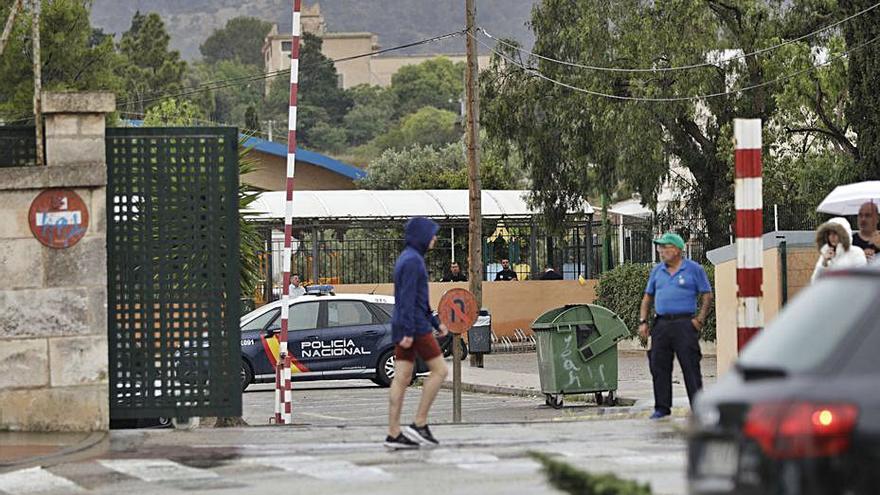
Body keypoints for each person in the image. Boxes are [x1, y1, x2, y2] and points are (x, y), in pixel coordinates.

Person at [386, 217, 449, 450]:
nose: (434, 238)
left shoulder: (408, 258)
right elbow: (408, 300)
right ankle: (419, 423)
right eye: (432, 233)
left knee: (401, 378)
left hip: (408, 325)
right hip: (415, 327)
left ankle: (393, 433)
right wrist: (410, 331)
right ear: (422, 235)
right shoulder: (414, 262)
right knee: (441, 371)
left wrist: (435, 321)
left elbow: (415, 299)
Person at [638, 232, 712, 420]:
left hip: (684, 324)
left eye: (665, 248)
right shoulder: (657, 271)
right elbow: (648, 297)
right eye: (660, 248)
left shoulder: (694, 269)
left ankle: (698, 407)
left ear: (678, 249)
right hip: (662, 323)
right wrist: (643, 321)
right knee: (658, 365)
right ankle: (662, 407)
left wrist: (700, 319)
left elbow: (706, 295)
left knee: (690, 365)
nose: (661, 252)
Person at [811, 217, 867, 282]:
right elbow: (814, 282)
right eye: (829, 234)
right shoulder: (826, 253)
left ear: (844, 235)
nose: (832, 236)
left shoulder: (856, 252)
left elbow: (862, 279)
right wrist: (824, 263)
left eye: (835, 233)